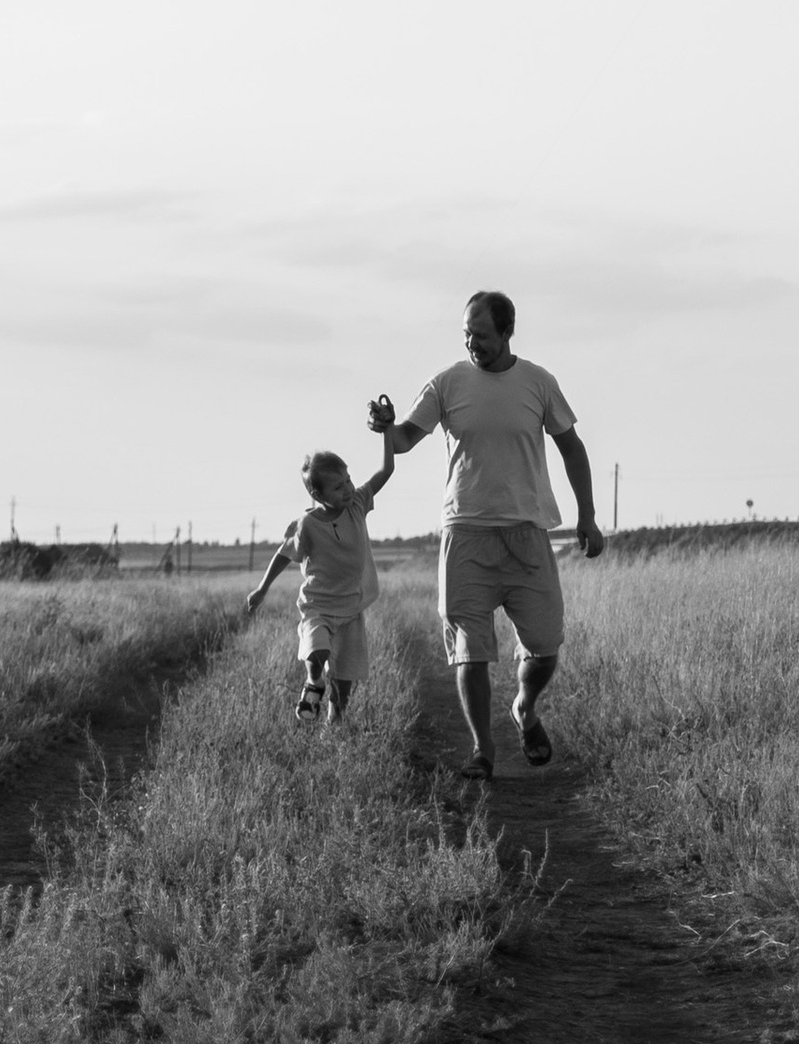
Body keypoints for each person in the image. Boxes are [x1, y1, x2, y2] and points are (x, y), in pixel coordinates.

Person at [368, 288, 602, 782]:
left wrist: (587, 515)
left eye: (481, 334)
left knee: (545, 648)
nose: (472, 343)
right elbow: (405, 438)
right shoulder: (447, 383)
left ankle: (524, 707)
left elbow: (572, 447)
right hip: (466, 534)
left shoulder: (538, 382)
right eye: (467, 334)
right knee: (469, 652)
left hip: (526, 533)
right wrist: (385, 427)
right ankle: (482, 750)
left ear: (507, 331)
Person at [242, 433, 394, 724]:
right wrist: (262, 588)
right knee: (316, 653)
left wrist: (387, 432)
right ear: (318, 494)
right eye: (338, 487)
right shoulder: (307, 525)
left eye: (348, 480)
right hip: (318, 607)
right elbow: (284, 555)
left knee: (344, 684)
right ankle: (314, 683)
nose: (348, 489)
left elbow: (386, 470)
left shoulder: (357, 504)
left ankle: (333, 726)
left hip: (350, 609)